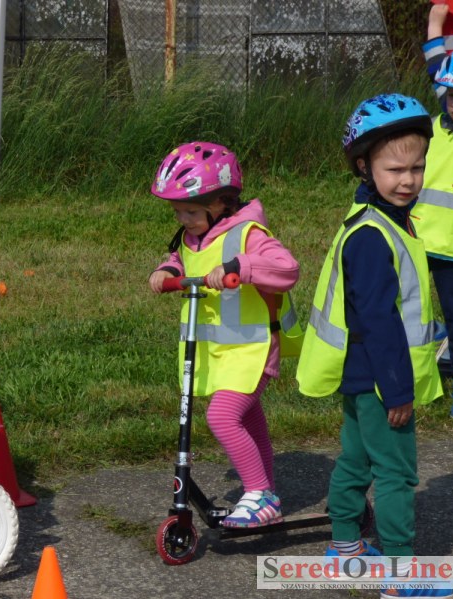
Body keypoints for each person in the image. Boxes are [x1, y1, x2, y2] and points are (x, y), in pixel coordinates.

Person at [296, 93, 453, 599]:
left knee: (356, 461)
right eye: (395, 169)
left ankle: (345, 546)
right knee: (395, 474)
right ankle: (400, 575)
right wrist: (397, 391)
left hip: (360, 373)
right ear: (364, 166)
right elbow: (379, 322)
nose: (408, 180)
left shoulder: (379, 218)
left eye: (417, 167)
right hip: (383, 379)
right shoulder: (373, 235)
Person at [148, 142, 303, 528]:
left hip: (252, 349)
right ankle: (267, 492)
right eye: (177, 212)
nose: (182, 219)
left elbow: (288, 269)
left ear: (221, 202)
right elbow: (186, 259)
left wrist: (241, 267)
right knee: (249, 419)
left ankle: (259, 493)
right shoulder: (192, 236)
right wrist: (169, 270)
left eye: (190, 211)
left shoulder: (248, 234)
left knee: (222, 416)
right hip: (220, 351)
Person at [415, 3, 453, 420]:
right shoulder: (436, 121)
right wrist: (436, 20)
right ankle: (428, 358)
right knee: (410, 308)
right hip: (418, 238)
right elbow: (437, 62)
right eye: (452, 96)